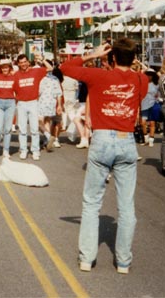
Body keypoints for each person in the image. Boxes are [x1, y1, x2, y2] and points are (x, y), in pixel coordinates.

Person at [59, 38, 147, 275]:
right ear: (134, 58)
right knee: (126, 207)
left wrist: (92, 54)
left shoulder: (98, 76)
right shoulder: (141, 79)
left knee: (91, 203)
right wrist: (133, 63)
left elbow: (65, 68)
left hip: (102, 139)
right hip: (126, 140)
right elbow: (142, 76)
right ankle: (123, 262)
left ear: (112, 57)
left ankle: (87, 258)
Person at [14, 54, 50, 160]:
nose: (23, 64)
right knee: (22, 129)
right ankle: (23, 150)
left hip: (33, 103)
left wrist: (42, 59)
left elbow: (50, 68)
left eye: (25, 62)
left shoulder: (36, 71)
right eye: (21, 62)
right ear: (18, 64)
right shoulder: (16, 75)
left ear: (28, 62)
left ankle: (35, 150)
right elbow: (13, 90)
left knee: (34, 129)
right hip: (21, 104)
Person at [0, 59, 16, 158]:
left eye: (7, 67)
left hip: (10, 103)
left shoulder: (14, 77)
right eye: (3, 67)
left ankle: (6, 150)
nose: (5, 69)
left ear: (9, 67)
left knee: (7, 128)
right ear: (0, 68)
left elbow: (18, 89)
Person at [38, 62, 63, 152]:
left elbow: (38, 92)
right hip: (52, 103)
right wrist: (59, 105)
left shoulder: (41, 78)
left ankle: (48, 136)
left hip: (42, 102)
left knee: (39, 122)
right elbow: (59, 93)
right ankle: (46, 141)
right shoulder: (55, 78)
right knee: (47, 121)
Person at [140, 71, 159, 147]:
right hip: (144, 104)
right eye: (147, 75)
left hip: (153, 104)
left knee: (152, 123)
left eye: (151, 75)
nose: (149, 76)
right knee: (143, 122)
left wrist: (158, 98)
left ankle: (151, 139)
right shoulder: (142, 84)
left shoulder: (156, 85)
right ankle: (146, 139)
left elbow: (159, 94)